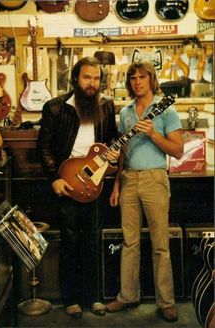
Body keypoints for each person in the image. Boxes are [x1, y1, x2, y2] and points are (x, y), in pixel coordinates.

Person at [37, 56, 119, 318]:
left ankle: (92, 297)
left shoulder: (106, 105)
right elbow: (45, 146)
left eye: (96, 78)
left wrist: (115, 153)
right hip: (68, 182)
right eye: (87, 77)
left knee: (92, 240)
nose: (92, 83)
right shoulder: (55, 107)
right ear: (75, 79)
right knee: (71, 241)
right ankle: (71, 298)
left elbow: (111, 139)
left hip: (95, 184)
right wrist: (54, 178)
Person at [106, 61, 184, 323]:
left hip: (154, 179)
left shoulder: (166, 110)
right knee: (130, 242)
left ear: (152, 79)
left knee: (160, 245)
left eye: (142, 77)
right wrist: (117, 182)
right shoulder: (126, 112)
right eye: (133, 78)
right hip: (128, 179)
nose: (137, 81)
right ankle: (128, 295)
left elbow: (178, 150)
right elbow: (123, 149)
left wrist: (153, 134)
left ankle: (167, 302)